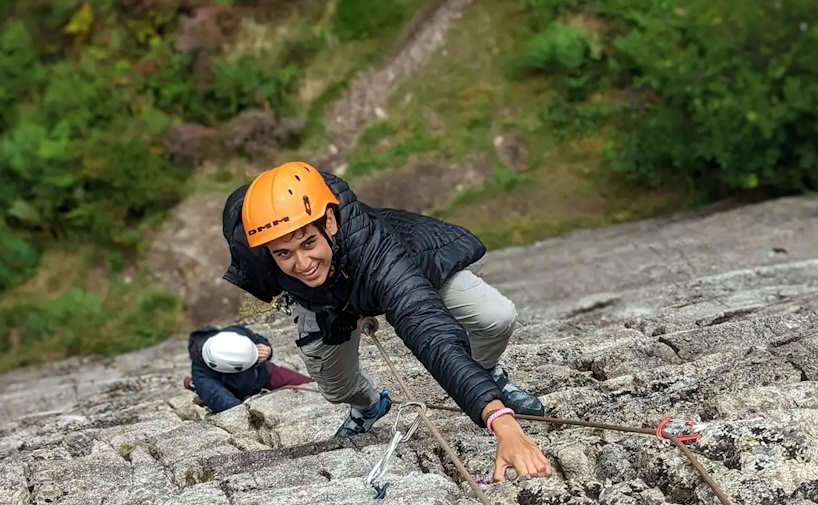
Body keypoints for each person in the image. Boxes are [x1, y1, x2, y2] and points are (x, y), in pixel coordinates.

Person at [221, 161, 551, 481]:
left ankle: (486, 372)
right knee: (337, 389)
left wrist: (498, 418)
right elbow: (267, 275)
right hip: (319, 303)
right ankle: (368, 406)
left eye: (309, 243)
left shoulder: (378, 253)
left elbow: (428, 329)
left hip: (399, 265)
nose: (303, 263)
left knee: (496, 315)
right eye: (284, 254)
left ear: (331, 222)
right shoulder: (250, 237)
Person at [185, 324, 312, 413]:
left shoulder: (235, 332)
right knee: (209, 394)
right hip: (235, 390)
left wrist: (267, 350)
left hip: (263, 371)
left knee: (311, 385)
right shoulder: (202, 376)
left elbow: (258, 339)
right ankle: (198, 390)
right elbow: (226, 403)